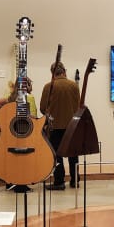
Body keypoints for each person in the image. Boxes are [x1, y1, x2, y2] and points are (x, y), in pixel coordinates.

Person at [0, 77, 37, 193]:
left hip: (10, 132)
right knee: (23, 159)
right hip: (23, 132)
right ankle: (21, 185)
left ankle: (9, 183)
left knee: (11, 158)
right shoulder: (29, 97)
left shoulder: (9, 96)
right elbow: (33, 117)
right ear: (27, 85)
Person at [40, 61, 80, 190]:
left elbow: (42, 108)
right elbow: (78, 106)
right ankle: (75, 180)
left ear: (52, 73)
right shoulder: (74, 86)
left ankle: (59, 181)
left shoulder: (48, 87)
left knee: (57, 155)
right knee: (73, 154)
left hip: (55, 127)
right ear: (64, 71)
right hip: (72, 126)